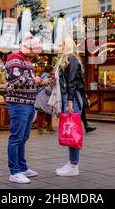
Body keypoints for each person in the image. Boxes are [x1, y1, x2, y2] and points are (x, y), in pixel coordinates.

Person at [5, 33, 47, 184]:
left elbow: (27, 82)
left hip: (27, 103)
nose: (36, 55)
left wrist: (41, 82)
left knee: (23, 138)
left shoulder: (27, 60)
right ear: (28, 48)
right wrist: (34, 80)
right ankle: (14, 171)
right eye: (35, 52)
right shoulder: (14, 58)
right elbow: (15, 80)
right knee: (16, 138)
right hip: (18, 103)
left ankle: (22, 168)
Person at [56, 35, 86, 177]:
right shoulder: (67, 60)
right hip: (69, 97)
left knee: (72, 129)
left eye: (61, 45)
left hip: (72, 97)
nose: (59, 47)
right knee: (69, 128)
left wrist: (69, 101)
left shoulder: (72, 59)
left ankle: (73, 165)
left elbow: (72, 81)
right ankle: (72, 163)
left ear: (67, 45)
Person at [37, 65, 55, 134]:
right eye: (52, 70)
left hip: (40, 95)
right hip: (45, 96)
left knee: (40, 111)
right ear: (50, 70)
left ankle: (40, 128)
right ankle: (49, 126)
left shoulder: (42, 76)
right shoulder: (49, 77)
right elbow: (48, 89)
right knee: (49, 111)